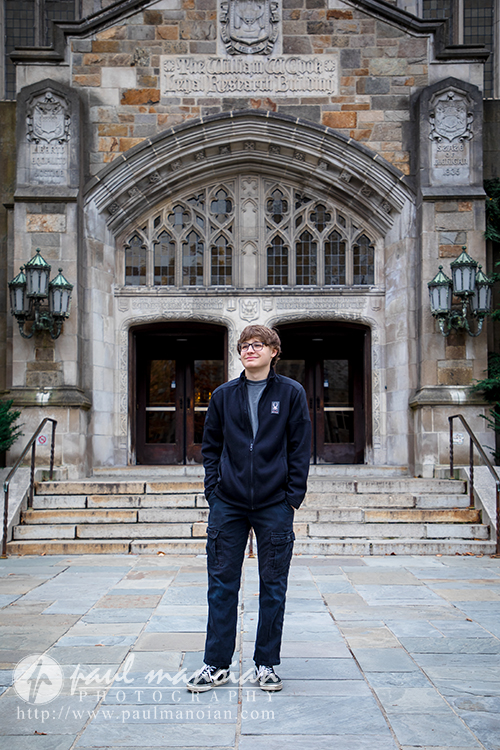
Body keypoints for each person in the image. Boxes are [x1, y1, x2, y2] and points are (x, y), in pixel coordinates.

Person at [186, 325, 311, 693]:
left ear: (274, 351)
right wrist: (214, 491)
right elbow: (211, 447)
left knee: (273, 587)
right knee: (221, 585)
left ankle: (266, 664)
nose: (249, 350)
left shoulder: (291, 393)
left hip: (275, 504)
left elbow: (300, 447)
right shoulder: (224, 395)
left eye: (257, 345)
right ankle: (216, 664)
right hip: (229, 504)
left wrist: (292, 498)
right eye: (244, 345)